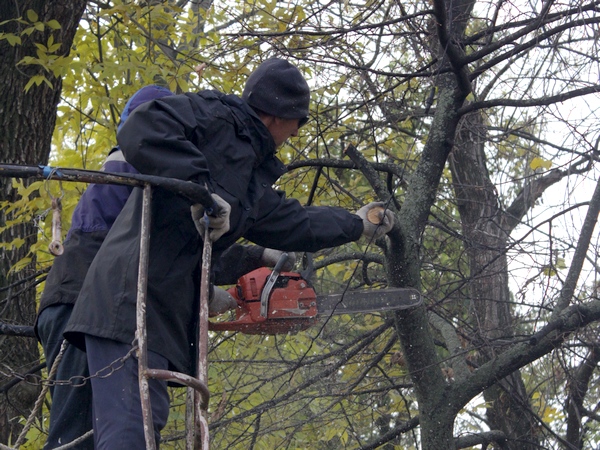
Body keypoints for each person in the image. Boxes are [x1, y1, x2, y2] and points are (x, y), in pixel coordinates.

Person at [64, 58, 394, 448]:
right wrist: (199, 189)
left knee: (143, 425)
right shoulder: (215, 114)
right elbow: (142, 126)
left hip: (160, 309)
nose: (294, 134)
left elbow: (293, 220)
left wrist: (356, 224)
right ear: (280, 116)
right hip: (127, 297)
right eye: (297, 124)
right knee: (131, 431)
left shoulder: (251, 179)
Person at [35, 84, 291, 449]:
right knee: (79, 434)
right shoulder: (143, 165)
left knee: (94, 428)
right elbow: (153, 248)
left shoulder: (133, 165)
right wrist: (224, 275)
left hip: (83, 297)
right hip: (87, 300)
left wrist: (251, 258)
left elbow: (162, 248)